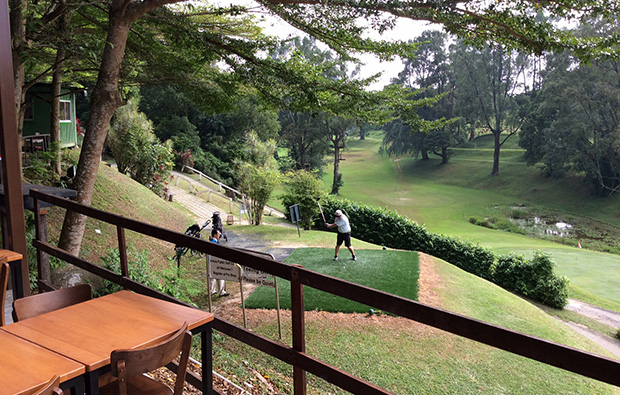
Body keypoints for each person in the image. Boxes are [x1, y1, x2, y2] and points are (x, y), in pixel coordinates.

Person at [209, 229, 229, 297]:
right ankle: (221, 291)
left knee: (212, 276)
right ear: (215, 235)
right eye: (218, 234)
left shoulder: (211, 241)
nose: (219, 235)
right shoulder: (214, 242)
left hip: (211, 262)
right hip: (216, 261)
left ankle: (212, 290)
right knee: (220, 276)